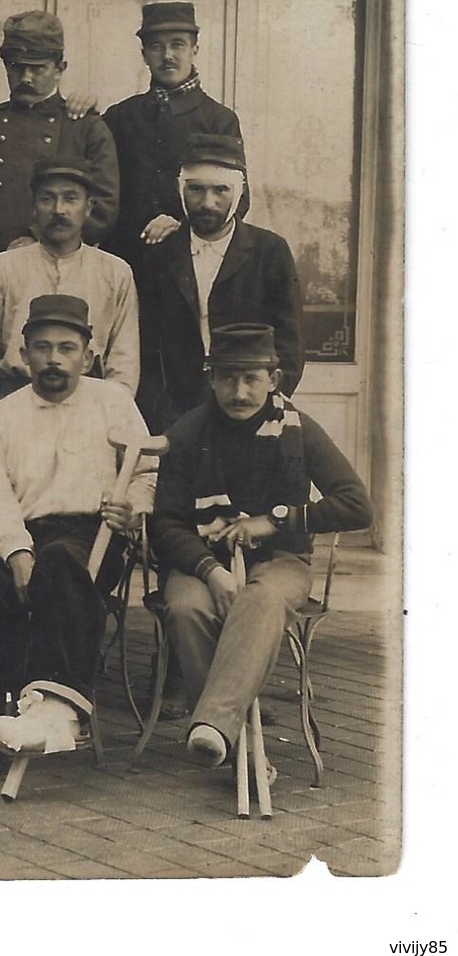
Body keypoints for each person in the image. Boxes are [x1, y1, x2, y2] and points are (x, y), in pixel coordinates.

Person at [0, 295, 155, 786]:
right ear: (23, 353)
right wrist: (15, 550)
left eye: (67, 348)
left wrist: (133, 507)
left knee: (59, 564)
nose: (55, 359)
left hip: (94, 534)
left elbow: (147, 470)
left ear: (88, 355)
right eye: (43, 348)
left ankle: (55, 710)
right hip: (17, 532)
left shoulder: (113, 402)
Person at [151, 323, 370, 768]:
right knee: (187, 607)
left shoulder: (298, 430)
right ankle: (235, 741)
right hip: (202, 559)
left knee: (262, 598)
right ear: (211, 379)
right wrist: (208, 569)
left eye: (251, 378)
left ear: (273, 380)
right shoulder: (188, 433)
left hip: (280, 560)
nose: (239, 390)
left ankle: (215, 727)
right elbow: (166, 523)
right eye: (228, 377)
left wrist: (277, 519)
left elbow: (357, 506)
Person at [0, 158, 140, 437]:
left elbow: (123, 367)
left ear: (89, 207)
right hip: (14, 407)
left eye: (70, 198)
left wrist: (110, 428)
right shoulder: (4, 268)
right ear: (34, 207)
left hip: (88, 414)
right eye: (48, 199)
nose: (59, 210)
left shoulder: (115, 273)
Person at [136, 133, 305, 431]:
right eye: (196, 189)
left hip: (250, 412)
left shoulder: (270, 252)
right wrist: (164, 418)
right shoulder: (159, 256)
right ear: (181, 190)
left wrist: (262, 406)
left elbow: (289, 346)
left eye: (220, 190)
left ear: (238, 192)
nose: (207, 203)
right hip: (175, 419)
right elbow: (147, 349)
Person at [0, 11, 119, 283]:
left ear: (60, 68)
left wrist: (38, 240)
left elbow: (104, 208)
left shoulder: (85, 128)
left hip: (59, 271)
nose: (25, 78)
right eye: (17, 67)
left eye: (38, 68)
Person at [103, 2, 242, 270]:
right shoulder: (120, 116)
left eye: (177, 45)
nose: (167, 55)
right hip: (125, 260)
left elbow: (238, 198)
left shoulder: (219, 119)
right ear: (144, 55)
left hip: (192, 259)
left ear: (194, 50)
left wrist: (183, 222)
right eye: (156, 46)